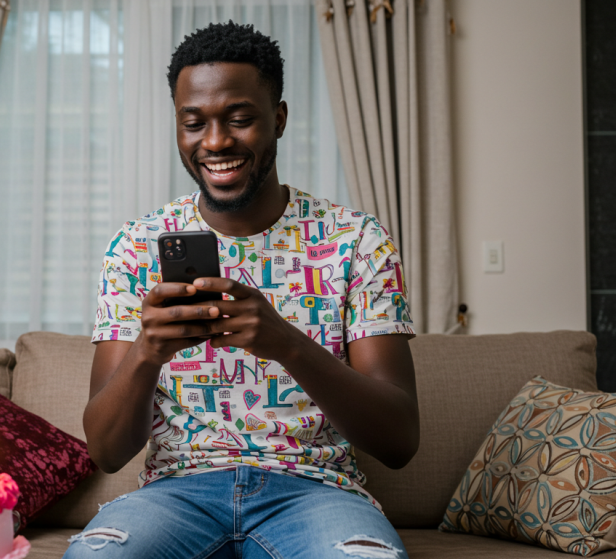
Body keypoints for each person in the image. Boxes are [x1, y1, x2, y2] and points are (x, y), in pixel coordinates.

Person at [65, 21, 418, 559]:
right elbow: (107, 452)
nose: (215, 142)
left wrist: (286, 343)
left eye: (239, 119)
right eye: (194, 123)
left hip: (315, 493)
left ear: (278, 118)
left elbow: (399, 441)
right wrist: (147, 352)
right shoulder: (135, 246)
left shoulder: (356, 241)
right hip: (176, 494)